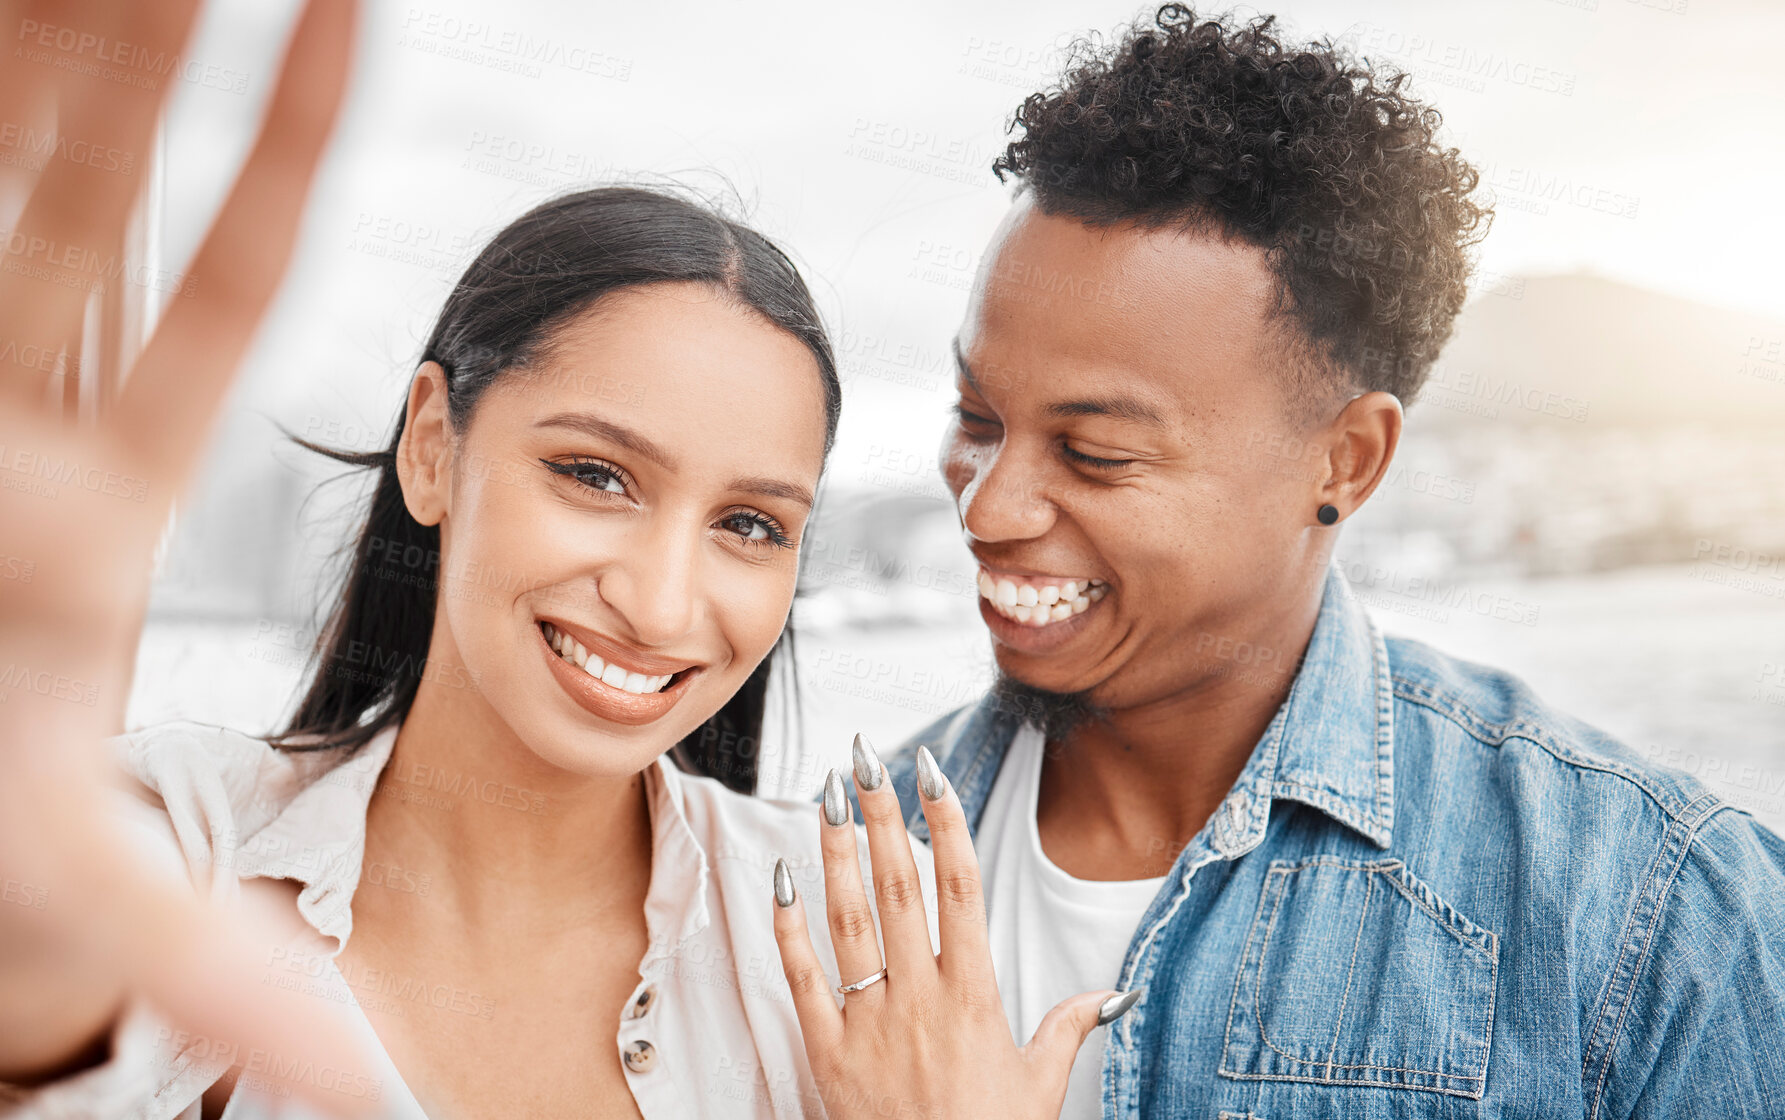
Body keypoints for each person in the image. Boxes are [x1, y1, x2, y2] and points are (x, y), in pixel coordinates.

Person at [841, 5, 1785, 1118]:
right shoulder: (845, 853)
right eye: (974, 414)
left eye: (1095, 452)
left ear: (1345, 459)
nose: (988, 508)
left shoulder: (1652, 914)